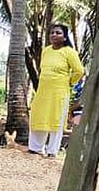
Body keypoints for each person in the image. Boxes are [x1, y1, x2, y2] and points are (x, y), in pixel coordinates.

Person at [27, 24, 84, 157]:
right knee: (39, 116)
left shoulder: (69, 52)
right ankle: (36, 147)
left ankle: (52, 151)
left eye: (58, 33)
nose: (54, 35)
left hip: (59, 92)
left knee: (56, 119)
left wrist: (69, 82)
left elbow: (79, 71)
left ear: (64, 37)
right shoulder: (46, 51)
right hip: (43, 91)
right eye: (52, 32)